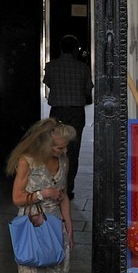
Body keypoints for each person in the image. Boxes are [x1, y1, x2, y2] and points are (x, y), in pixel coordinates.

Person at [8, 119, 75, 273]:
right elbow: (16, 198)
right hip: (34, 226)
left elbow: (63, 195)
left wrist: (69, 225)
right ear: (46, 143)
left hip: (56, 227)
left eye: (65, 146)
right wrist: (41, 194)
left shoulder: (63, 161)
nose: (64, 150)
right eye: (59, 147)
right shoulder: (27, 161)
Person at [44, 34, 92, 199]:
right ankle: (68, 187)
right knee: (73, 150)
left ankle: (54, 184)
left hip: (57, 112)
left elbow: (49, 83)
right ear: (75, 50)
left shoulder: (51, 66)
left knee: (54, 148)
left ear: (61, 48)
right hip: (76, 113)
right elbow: (87, 91)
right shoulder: (83, 68)